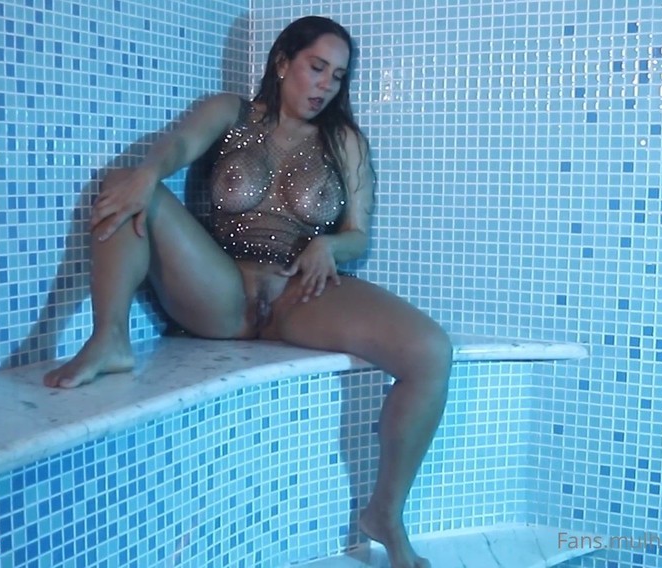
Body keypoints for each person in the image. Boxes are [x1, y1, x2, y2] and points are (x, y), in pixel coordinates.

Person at [43, 16, 452, 568]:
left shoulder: (344, 141)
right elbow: (178, 145)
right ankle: (109, 337)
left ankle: (386, 512)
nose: (326, 85)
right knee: (130, 185)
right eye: (316, 67)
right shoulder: (230, 113)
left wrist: (331, 245)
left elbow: (358, 233)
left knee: (429, 351)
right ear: (282, 62)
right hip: (221, 293)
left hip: (300, 295)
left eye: (337, 76)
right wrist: (148, 172)